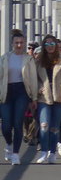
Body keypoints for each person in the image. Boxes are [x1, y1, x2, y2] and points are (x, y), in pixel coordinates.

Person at [33, 36, 61, 164]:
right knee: (44, 125)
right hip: (43, 97)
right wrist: (39, 89)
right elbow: (34, 78)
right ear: (43, 46)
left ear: (56, 45)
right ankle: (43, 151)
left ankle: (52, 152)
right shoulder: (38, 60)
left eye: (52, 44)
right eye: (47, 44)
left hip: (59, 96)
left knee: (55, 127)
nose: (49, 46)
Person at [1, 29, 38, 166]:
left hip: (22, 91)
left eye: (21, 43)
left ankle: (16, 154)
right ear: (12, 43)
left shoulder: (28, 59)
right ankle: (9, 144)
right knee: (5, 125)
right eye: (16, 43)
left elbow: (33, 79)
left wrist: (34, 98)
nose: (19, 45)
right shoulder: (5, 58)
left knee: (17, 123)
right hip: (6, 91)